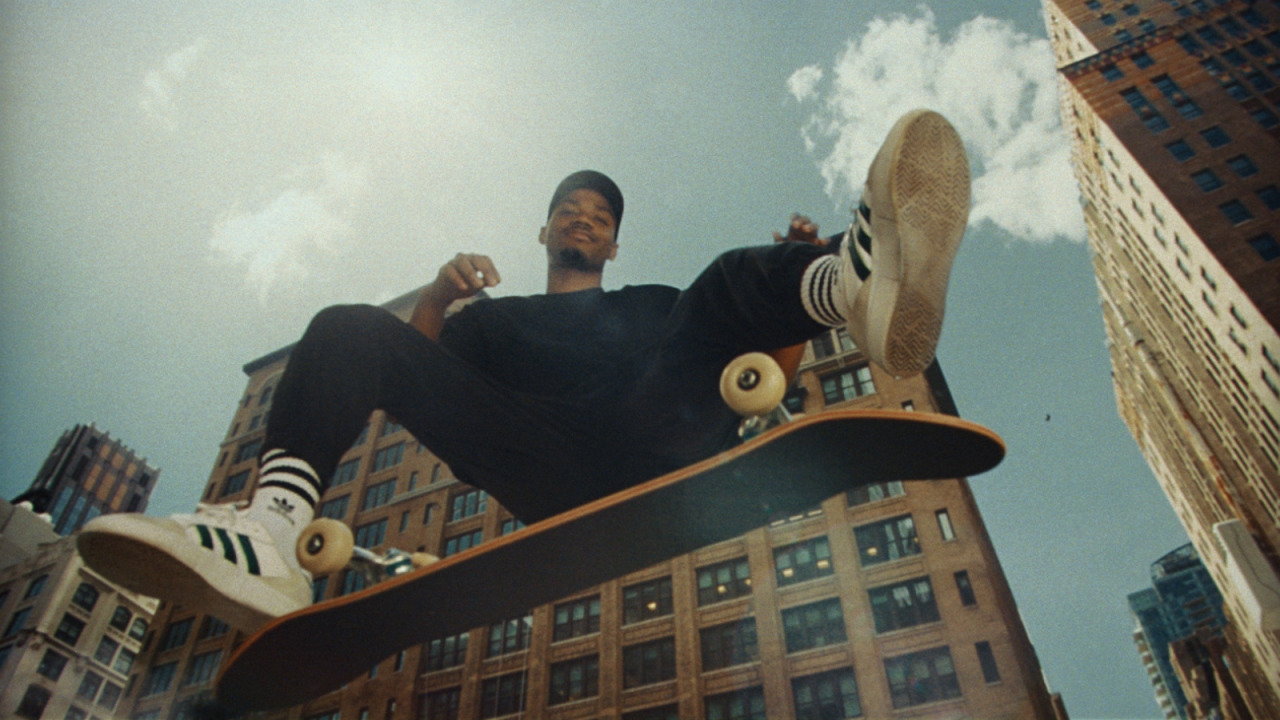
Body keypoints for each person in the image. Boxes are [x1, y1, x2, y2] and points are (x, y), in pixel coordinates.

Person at [78, 109, 971, 630]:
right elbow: (402, 377)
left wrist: (790, 301)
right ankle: (270, 533)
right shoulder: (493, 323)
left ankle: (847, 287)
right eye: (566, 212)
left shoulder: (653, 302)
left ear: (615, 241)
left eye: (598, 216)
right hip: (539, 459)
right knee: (345, 324)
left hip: (656, 432)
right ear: (543, 231)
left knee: (733, 279)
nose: (582, 221)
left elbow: (755, 379)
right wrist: (435, 293)